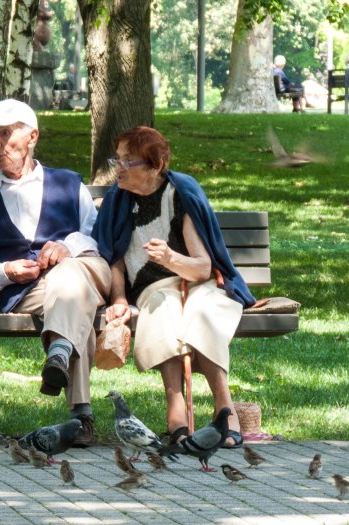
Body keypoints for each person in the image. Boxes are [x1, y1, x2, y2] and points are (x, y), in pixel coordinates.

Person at [92, 126, 256, 449]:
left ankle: (224, 404)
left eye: (128, 161)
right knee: (163, 309)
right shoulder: (118, 200)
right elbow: (115, 260)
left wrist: (169, 257)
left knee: (204, 310)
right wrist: (120, 297)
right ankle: (175, 407)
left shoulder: (178, 193)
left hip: (196, 282)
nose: (119, 168)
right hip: (152, 288)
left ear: (154, 167)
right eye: (118, 159)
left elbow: (203, 266)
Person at [0, 99, 111, 446]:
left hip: (89, 272)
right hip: (30, 293)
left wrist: (69, 247)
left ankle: (64, 362)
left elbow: (98, 237)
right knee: (75, 300)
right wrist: (6, 271)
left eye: (5, 134)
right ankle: (80, 413)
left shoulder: (68, 184)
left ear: (32, 137)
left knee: (70, 276)